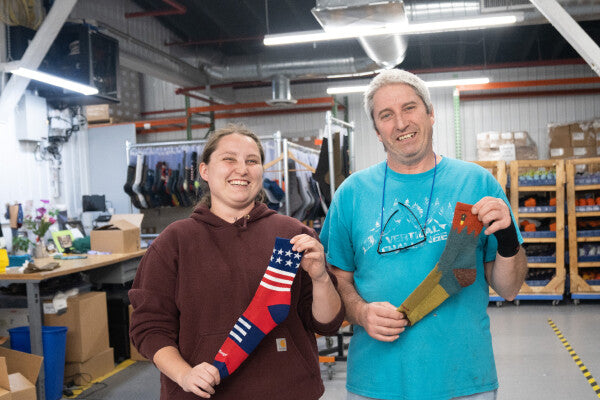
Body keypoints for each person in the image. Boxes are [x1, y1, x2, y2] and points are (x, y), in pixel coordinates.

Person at [320, 69, 527, 400]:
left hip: (463, 380)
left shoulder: (476, 183)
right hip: (376, 382)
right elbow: (336, 283)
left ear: (431, 114)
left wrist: (507, 240)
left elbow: (509, 287)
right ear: (377, 131)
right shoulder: (352, 194)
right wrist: (361, 312)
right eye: (386, 116)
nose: (401, 123)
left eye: (410, 108)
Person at [129, 123, 344, 400]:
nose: (241, 169)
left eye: (252, 161)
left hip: (289, 390)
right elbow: (149, 327)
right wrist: (184, 373)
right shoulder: (174, 242)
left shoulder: (293, 235)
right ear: (205, 171)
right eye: (229, 159)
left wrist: (320, 278)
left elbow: (326, 324)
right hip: (203, 393)